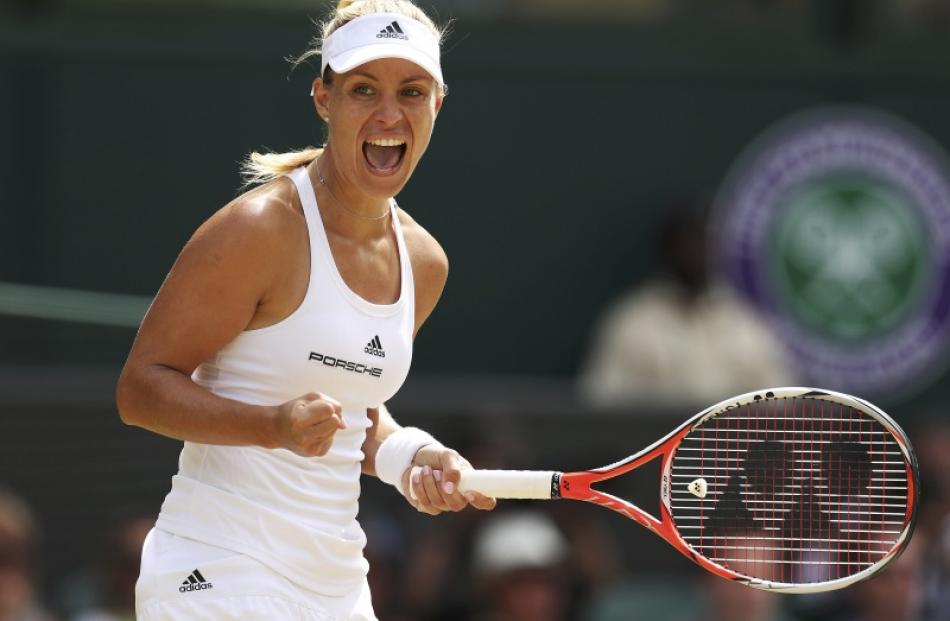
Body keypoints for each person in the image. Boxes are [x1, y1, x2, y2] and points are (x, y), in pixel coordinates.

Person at [115, 1, 495, 619]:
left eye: (412, 91)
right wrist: (271, 426)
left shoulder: (425, 263)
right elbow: (139, 391)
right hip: (217, 570)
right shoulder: (259, 229)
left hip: (338, 588)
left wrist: (414, 458)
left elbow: (356, 416)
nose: (389, 114)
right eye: (363, 90)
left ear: (437, 106)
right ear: (324, 99)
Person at [579, 201, 794, 407]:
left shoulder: (743, 323)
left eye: (703, 240)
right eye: (686, 240)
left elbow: (779, 405)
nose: (695, 250)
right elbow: (601, 406)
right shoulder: (633, 323)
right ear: (667, 248)